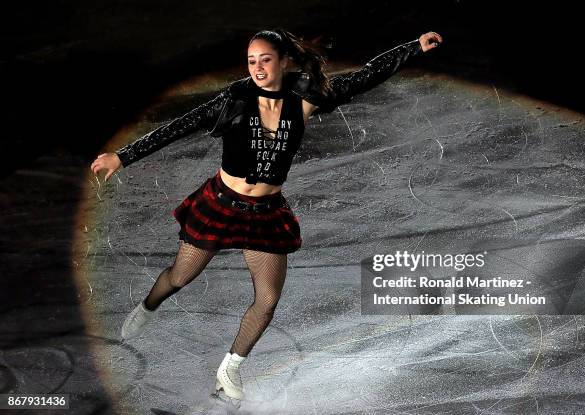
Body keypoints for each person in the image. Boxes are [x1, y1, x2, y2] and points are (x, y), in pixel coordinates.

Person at [90, 28, 442, 401]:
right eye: (251, 61)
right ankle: (149, 305)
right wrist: (122, 156)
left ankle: (230, 367)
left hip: (265, 214)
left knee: (268, 300)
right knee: (180, 276)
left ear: (284, 61)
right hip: (221, 205)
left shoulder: (306, 98)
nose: (257, 67)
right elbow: (180, 126)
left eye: (265, 59)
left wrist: (413, 47)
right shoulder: (235, 100)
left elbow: (367, 75)